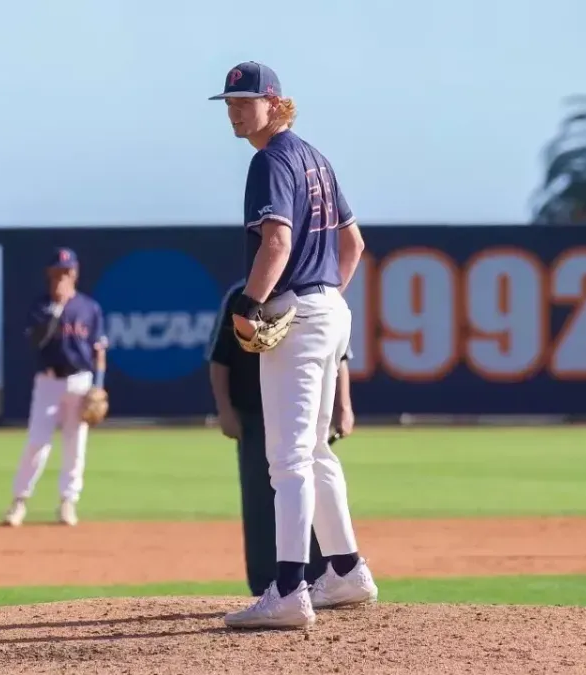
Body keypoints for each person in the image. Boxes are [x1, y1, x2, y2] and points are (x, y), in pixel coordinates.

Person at [208, 61, 377, 629]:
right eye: (230, 102)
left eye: (246, 101)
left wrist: (249, 305)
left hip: (298, 312)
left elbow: (276, 243)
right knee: (316, 452)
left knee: (285, 461)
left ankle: (287, 591)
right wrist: (325, 294)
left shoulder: (270, 160)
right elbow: (352, 243)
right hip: (328, 309)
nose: (236, 110)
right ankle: (347, 570)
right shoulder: (315, 159)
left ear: (275, 103)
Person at [207, 278, 357, 598]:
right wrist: (225, 410)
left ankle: (320, 578)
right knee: (261, 503)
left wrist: (344, 406)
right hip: (255, 414)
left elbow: (340, 357)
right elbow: (220, 359)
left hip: (306, 412)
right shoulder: (241, 296)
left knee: (312, 490)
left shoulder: (310, 295)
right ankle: (265, 585)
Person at [3, 247, 107, 528]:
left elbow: (98, 349)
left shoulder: (89, 308)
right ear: (50, 275)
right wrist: (56, 311)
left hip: (80, 381)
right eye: (58, 272)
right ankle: (19, 502)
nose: (63, 276)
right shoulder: (41, 307)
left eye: (67, 271)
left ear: (75, 273)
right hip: (49, 381)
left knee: (75, 445)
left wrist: (98, 386)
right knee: (38, 442)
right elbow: (35, 341)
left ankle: (68, 503)